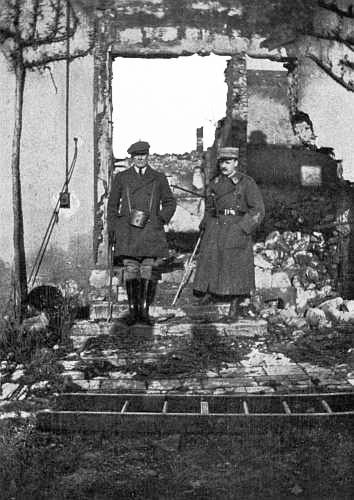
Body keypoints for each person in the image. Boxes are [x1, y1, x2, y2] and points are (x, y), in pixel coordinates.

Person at [107, 141, 176, 325]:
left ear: (148, 156)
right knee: (131, 269)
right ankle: (133, 312)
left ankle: (144, 313)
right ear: (131, 157)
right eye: (136, 155)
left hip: (150, 231)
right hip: (128, 231)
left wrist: (159, 219)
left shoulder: (158, 178)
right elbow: (112, 205)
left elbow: (170, 202)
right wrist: (114, 228)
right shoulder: (122, 178)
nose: (140, 158)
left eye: (143, 155)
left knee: (147, 269)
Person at [193, 147, 265, 320]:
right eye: (221, 162)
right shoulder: (215, 182)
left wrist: (243, 228)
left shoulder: (246, 182)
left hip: (236, 225)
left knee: (234, 263)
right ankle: (210, 291)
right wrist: (205, 223)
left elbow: (258, 209)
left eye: (228, 162)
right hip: (216, 225)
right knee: (210, 257)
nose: (224, 165)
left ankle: (234, 302)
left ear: (236, 163)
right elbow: (210, 207)